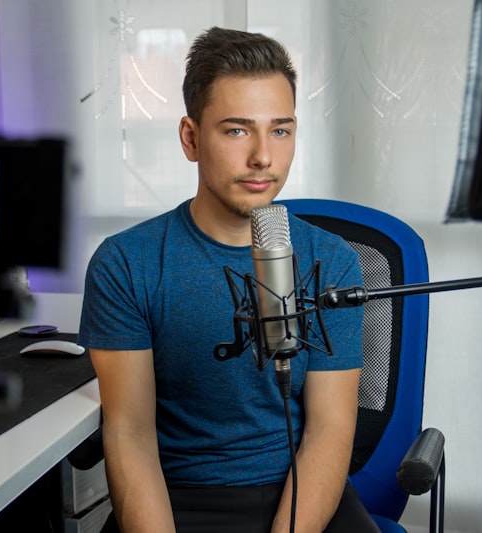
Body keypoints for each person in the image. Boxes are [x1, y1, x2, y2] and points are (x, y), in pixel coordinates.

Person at [78, 27, 379, 533]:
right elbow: (130, 432)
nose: (263, 156)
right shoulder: (126, 264)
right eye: (237, 130)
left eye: (280, 130)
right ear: (191, 138)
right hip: (178, 498)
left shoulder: (333, 262)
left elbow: (329, 429)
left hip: (299, 492)